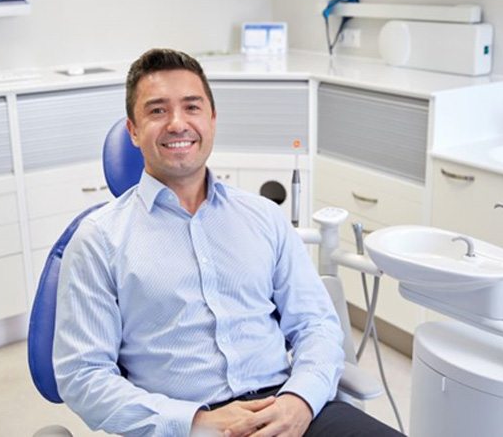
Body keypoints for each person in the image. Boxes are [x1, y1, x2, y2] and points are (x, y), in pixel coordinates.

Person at [53, 48, 403, 437]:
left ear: (213, 120)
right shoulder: (98, 240)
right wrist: (198, 423)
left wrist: (300, 400)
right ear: (133, 131)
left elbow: (316, 324)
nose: (177, 123)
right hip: (184, 423)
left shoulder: (263, 217)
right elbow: (83, 376)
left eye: (192, 107)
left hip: (287, 408)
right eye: (156, 111)